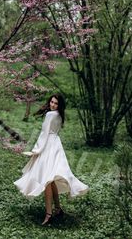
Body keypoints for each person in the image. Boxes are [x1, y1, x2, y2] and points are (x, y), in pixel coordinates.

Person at [14, 93, 89, 226]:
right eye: (52, 102)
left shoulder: (50, 115)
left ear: (59, 105)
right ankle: (58, 209)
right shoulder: (60, 115)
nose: (53, 105)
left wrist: (36, 151)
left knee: (47, 180)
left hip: (48, 146)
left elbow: (44, 134)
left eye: (56, 103)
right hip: (56, 145)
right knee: (51, 178)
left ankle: (49, 214)